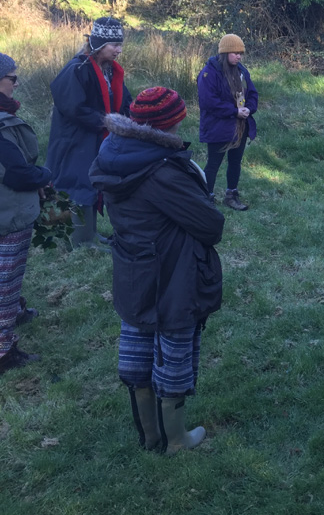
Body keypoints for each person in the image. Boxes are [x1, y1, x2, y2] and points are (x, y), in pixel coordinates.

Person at [90, 87, 225, 455]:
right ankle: (175, 439)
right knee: (173, 351)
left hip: (132, 267)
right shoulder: (162, 171)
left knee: (138, 339)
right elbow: (211, 225)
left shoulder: (113, 153)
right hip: (172, 272)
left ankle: (150, 436)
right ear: (170, 123)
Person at [47, 16, 132, 247]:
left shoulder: (110, 71)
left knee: (94, 182)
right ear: (99, 44)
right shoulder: (76, 69)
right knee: (80, 184)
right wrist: (106, 121)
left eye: (120, 45)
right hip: (76, 140)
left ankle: (90, 234)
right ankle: (82, 241)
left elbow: (123, 99)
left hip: (97, 136)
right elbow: (72, 107)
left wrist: (129, 117)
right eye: (114, 45)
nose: (119, 50)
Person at [0, 54, 52, 374]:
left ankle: (15, 310)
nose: (16, 83)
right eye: (12, 78)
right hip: (9, 215)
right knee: (6, 278)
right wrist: (45, 177)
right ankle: (4, 351)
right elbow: (16, 172)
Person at [198, 34, 258, 211]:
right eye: (235, 52)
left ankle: (231, 195)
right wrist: (234, 111)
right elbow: (208, 101)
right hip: (218, 127)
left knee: (235, 162)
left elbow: (253, 94)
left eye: (241, 53)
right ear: (225, 53)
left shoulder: (242, 71)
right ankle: (206, 198)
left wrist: (249, 109)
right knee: (214, 163)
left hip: (240, 127)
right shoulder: (209, 73)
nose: (239, 56)